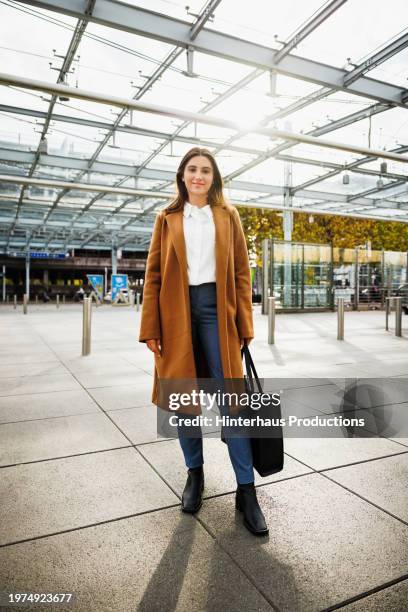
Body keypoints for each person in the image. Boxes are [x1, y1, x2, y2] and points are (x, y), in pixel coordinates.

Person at [139, 147, 268, 536]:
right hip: (176, 312)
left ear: (214, 178)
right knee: (183, 402)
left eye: (206, 171)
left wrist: (244, 323)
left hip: (218, 311)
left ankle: (247, 491)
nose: (198, 176)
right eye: (192, 170)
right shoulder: (167, 218)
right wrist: (151, 328)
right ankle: (195, 475)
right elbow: (154, 275)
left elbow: (243, 273)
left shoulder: (228, 217)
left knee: (232, 402)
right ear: (182, 176)